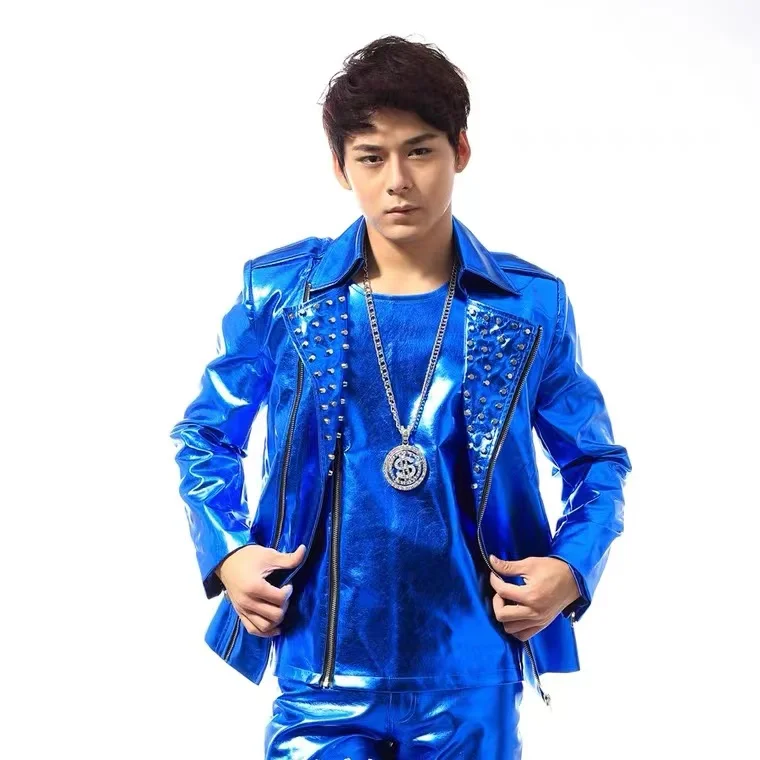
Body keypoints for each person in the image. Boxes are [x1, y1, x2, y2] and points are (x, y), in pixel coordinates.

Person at [169, 34, 632, 759]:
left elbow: (597, 461)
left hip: (473, 673)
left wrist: (570, 569)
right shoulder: (282, 294)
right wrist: (228, 553)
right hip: (318, 672)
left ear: (460, 151)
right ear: (339, 167)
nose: (398, 181)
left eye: (420, 151)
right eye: (371, 157)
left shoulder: (529, 306)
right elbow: (206, 435)